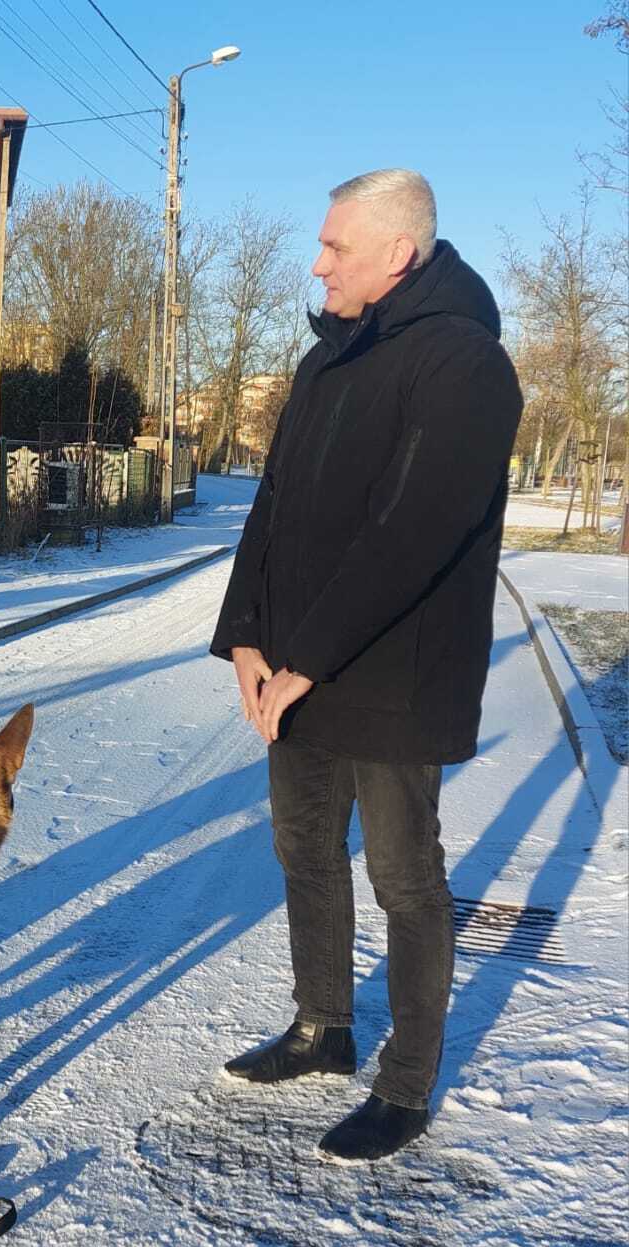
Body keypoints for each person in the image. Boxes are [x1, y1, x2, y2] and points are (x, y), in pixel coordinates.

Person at [210, 169, 522, 1162]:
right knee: (303, 849)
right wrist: (249, 634)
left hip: (396, 674)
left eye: (335, 246)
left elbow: (412, 530)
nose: (317, 262)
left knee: (403, 876)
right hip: (298, 663)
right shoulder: (326, 360)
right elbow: (275, 505)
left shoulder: (466, 364)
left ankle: (406, 1080)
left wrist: (306, 660)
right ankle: (322, 1028)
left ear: (399, 253)